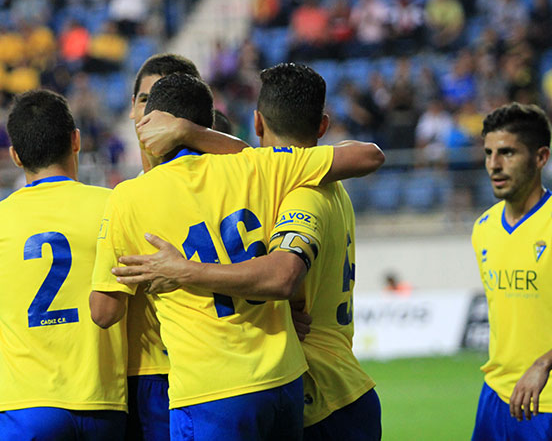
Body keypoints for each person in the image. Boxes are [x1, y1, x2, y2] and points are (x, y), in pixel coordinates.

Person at [91, 70, 384, 441]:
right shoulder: (259, 170)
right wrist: (193, 133)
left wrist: (179, 273)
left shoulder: (128, 197)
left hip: (216, 389)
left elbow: (104, 311)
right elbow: (367, 155)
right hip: (288, 378)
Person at [0, 90, 127, 440]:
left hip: (23, 403)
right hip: (101, 401)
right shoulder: (115, 206)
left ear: (14, 156)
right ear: (76, 141)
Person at [125, 53, 248, 441]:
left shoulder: (231, 180)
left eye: (167, 105)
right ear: (132, 109)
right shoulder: (122, 200)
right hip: (147, 377)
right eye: (146, 100)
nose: (154, 113)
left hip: (218, 374)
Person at [471, 103, 552, 440]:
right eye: (489, 152)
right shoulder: (483, 228)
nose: (494, 164)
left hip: (545, 402)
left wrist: (543, 363)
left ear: (541, 157)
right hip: (494, 396)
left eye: (507, 152)